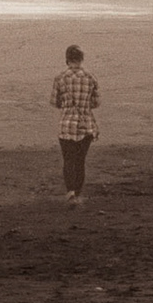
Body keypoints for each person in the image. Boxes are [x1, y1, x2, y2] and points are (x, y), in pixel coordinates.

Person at [50, 43, 100, 205]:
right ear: (81, 59)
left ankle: (70, 191)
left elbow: (55, 102)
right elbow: (96, 103)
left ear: (67, 59)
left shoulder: (60, 78)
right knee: (80, 161)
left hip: (66, 125)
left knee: (68, 160)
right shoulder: (90, 77)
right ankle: (77, 193)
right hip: (86, 125)